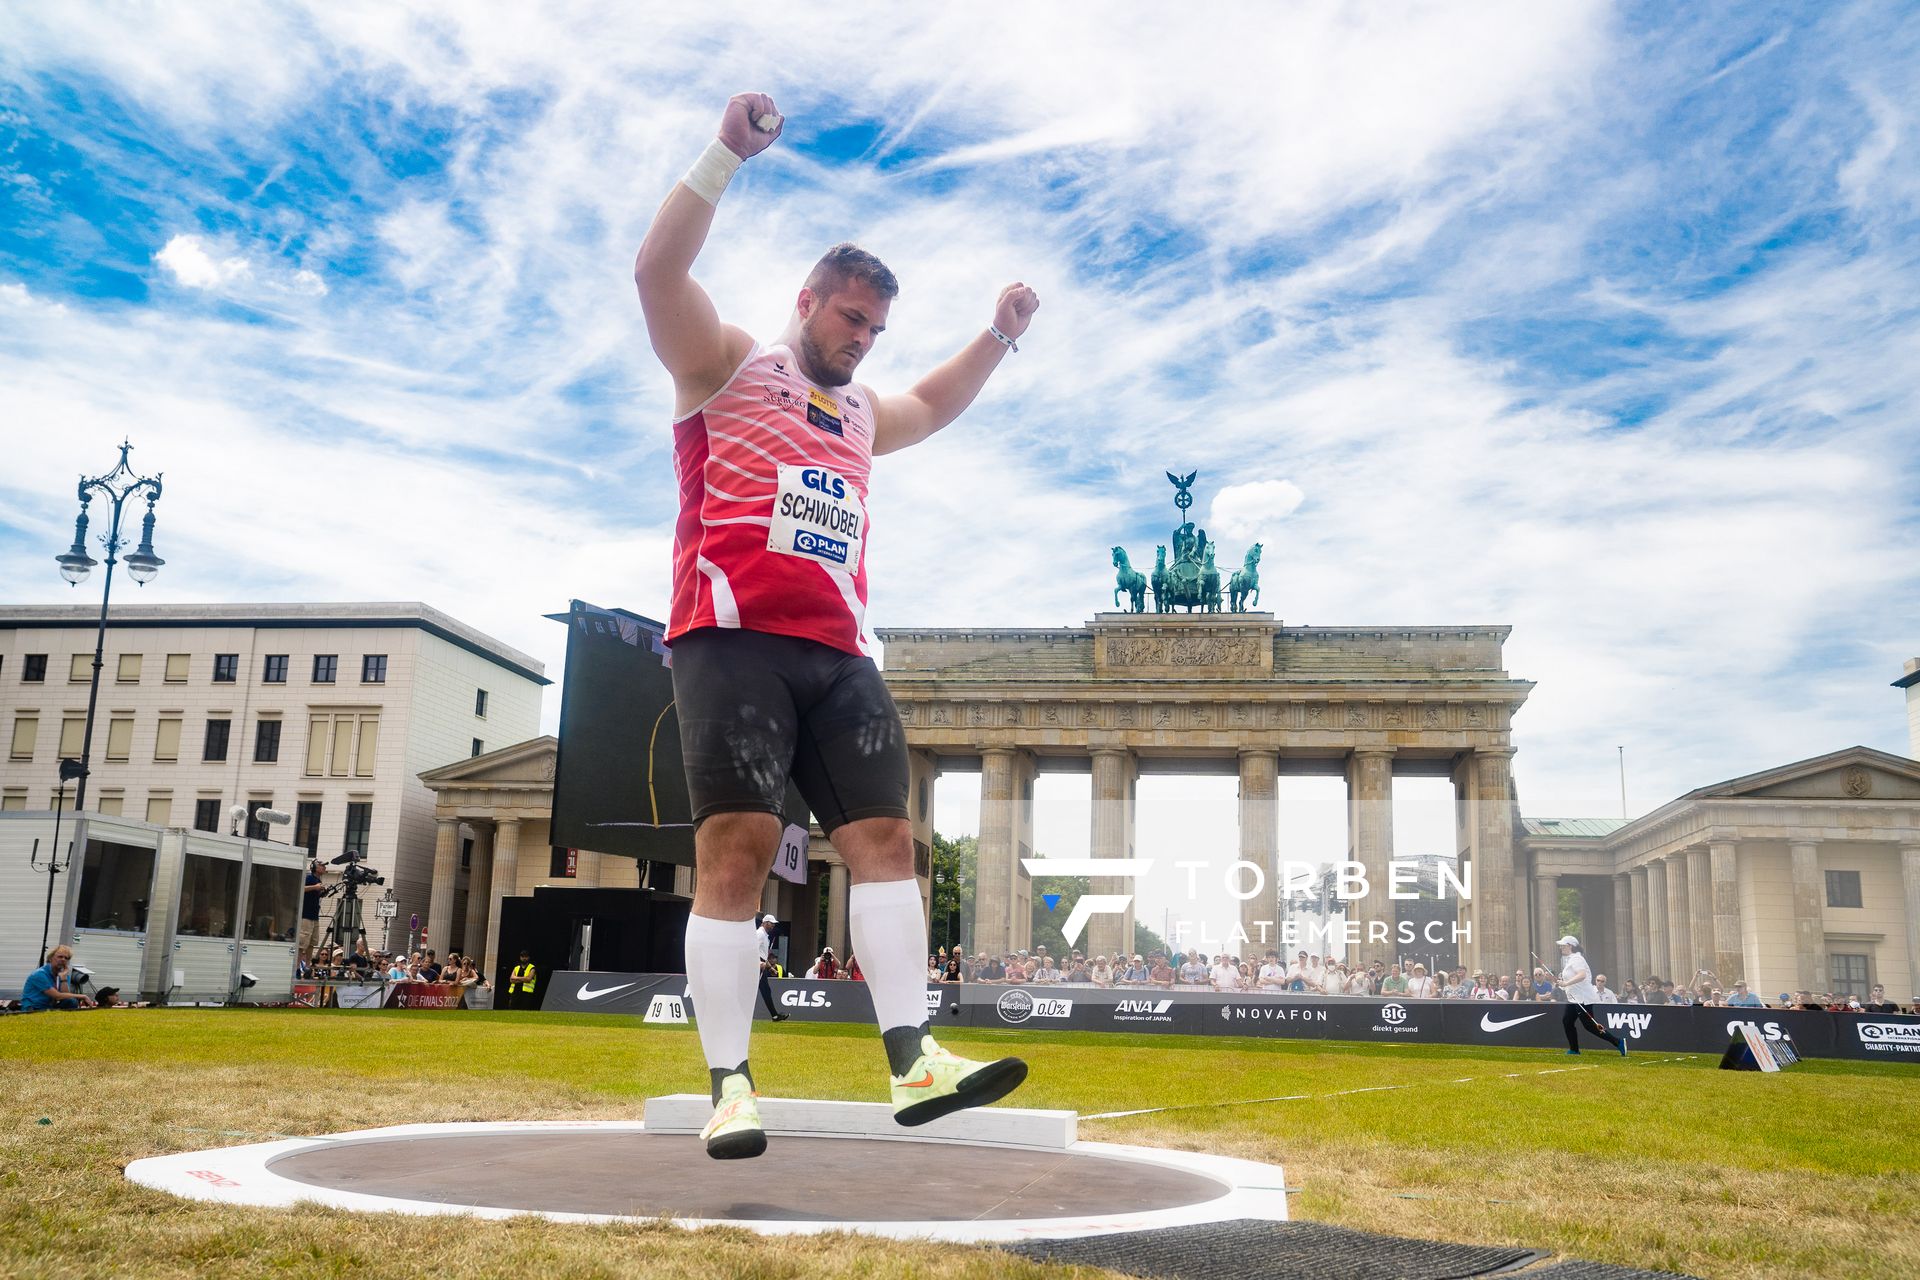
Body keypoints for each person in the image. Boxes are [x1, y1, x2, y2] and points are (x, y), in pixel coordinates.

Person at [640, 92, 1037, 1160]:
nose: (860, 342)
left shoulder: (860, 415)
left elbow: (936, 404)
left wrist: (996, 337)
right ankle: (731, 1081)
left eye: (874, 330)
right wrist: (725, 150)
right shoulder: (724, 365)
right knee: (739, 849)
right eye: (849, 319)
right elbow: (656, 276)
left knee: (888, 843)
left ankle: (913, 1057)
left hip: (838, 653)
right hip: (729, 639)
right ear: (808, 299)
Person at [1552, 936, 1627, 1057]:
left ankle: (1618, 1042)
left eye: (1563, 945)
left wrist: (1565, 983)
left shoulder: (1577, 959)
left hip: (1583, 999)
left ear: (1570, 946)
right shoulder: (1570, 959)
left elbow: (1582, 975)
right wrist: (1561, 983)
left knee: (1590, 1026)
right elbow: (1572, 981)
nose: (1561, 947)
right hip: (1574, 999)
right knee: (1567, 1021)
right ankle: (1574, 1050)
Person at [21, 945, 94, 1011]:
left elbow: (66, 996)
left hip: (48, 1007)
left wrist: (63, 979)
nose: (63, 959)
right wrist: (83, 996)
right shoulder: (39, 974)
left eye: (66, 958)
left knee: (71, 1001)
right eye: (60, 956)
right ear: (50, 958)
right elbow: (57, 996)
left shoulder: (63, 975)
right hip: (33, 1008)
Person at [751, 915, 788, 1022]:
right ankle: (774, 1015)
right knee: (761, 990)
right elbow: (752, 950)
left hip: (761, 964)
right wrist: (758, 963)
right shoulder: (760, 934)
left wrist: (770, 968)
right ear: (765, 923)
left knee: (765, 990)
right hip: (756, 966)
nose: (773, 925)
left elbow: (762, 954)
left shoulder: (764, 935)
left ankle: (774, 1015)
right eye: (771, 923)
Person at [300, 859, 325, 956]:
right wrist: (315, 887)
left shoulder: (318, 880)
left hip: (314, 916)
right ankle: (298, 967)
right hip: (306, 915)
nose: (324, 867)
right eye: (321, 865)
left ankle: (308, 965)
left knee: (312, 942)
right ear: (314, 868)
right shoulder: (309, 878)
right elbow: (300, 888)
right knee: (302, 943)